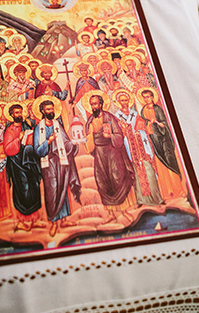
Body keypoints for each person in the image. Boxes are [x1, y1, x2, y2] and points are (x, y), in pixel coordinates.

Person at [30, 98, 82, 237]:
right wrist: (49, 141)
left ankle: (63, 219)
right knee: (52, 191)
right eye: (48, 110)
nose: (51, 112)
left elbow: (66, 142)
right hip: (48, 163)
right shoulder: (38, 128)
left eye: (52, 109)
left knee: (62, 188)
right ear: (42, 111)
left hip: (61, 160)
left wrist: (74, 144)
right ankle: (53, 221)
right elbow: (37, 150)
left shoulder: (58, 124)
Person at [85, 94, 136, 223]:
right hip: (100, 154)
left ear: (101, 104)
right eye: (92, 104)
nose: (94, 106)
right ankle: (111, 213)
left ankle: (124, 211)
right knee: (103, 181)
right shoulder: (90, 120)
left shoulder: (109, 117)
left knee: (117, 177)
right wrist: (90, 135)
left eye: (95, 103)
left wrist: (110, 135)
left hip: (112, 151)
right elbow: (88, 141)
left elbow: (119, 135)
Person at [114, 90, 163, 206]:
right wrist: (124, 130)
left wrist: (140, 127)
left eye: (126, 100)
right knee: (136, 172)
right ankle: (141, 200)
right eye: (122, 101)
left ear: (129, 101)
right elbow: (118, 132)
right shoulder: (117, 117)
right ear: (119, 102)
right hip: (130, 148)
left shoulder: (135, 114)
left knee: (149, 171)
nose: (124, 103)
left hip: (142, 145)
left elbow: (143, 127)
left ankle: (156, 198)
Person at [1, 104, 42, 231]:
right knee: (23, 190)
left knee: (34, 187)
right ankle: (22, 221)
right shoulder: (10, 129)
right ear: (12, 115)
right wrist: (18, 139)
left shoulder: (26, 125)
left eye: (20, 112)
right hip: (17, 164)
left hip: (29, 161)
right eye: (16, 113)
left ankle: (34, 220)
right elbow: (7, 149)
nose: (19, 115)